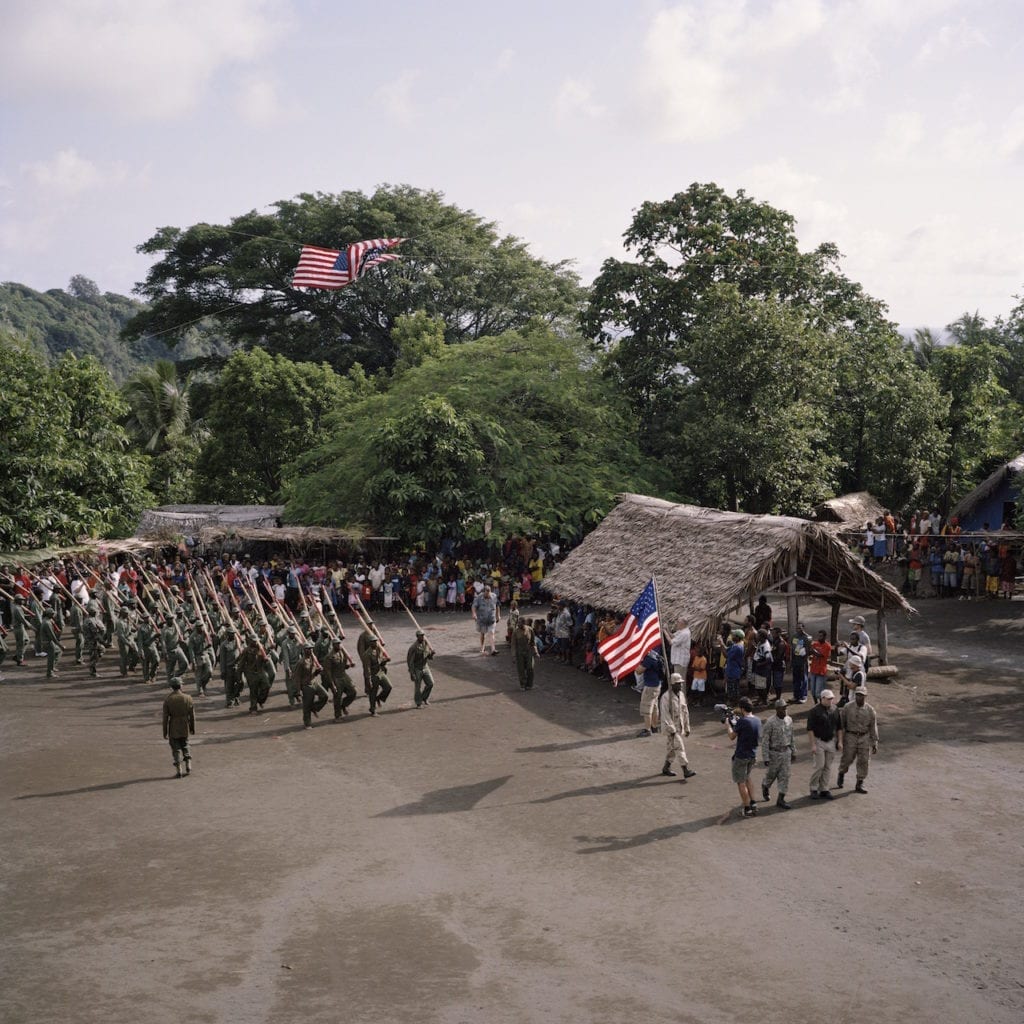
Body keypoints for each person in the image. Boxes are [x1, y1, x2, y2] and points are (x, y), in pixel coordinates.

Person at [837, 685, 879, 793]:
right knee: (847, 758)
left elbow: (873, 727)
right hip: (850, 736)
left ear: (866, 696)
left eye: (862, 695)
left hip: (864, 737)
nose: (859, 697)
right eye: (858, 695)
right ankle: (841, 773)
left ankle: (860, 783)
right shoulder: (847, 707)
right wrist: (839, 739)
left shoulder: (870, 710)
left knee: (864, 761)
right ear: (855, 695)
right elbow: (841, 724)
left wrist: (874, 742)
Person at [727, 697, 762, 817]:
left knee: (741, 782)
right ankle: (753, 803)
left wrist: (728, 725)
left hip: (741, 756)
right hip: (752, 754)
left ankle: (747, 808)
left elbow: (732, 736)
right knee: (748, 778)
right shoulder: (757, 720)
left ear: (742, 709)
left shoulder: (743, 721)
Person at [807, 688, 843, 799]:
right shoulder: (814, 711)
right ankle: (813, 788)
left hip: (831, 741)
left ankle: (824, 789)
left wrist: (840, 741)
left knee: (827, 767)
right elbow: (810, 729)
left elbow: (839, 727)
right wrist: (813, 744)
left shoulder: (835, 709)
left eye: (831, 699)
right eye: (828, 699)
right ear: (822, 699)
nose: (830, 701)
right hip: (819, 741)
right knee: (819, 766)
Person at [659, 673, 697, 779]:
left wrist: (687, 727)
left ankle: (666, 768)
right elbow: (665, 714)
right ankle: (685, 769)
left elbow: (685, 712)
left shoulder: (681, 695)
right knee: (679, 747)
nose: (680, 686)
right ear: (672, 684)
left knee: (671, 749)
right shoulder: (666, 697)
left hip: (679, 727)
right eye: (678, 684)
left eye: (680, 683)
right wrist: (672, 728)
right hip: (671, 728)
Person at [760, 699, 795, 809]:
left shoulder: (789, 720)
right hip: (774, 753)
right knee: (771, 775)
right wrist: (765, 757)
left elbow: (792, 736)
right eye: (783, 708)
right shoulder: (770, 722)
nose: (785, 710)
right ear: (777, 709)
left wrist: (793, 751)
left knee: (785, 776)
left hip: (786, 752)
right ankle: (765, 785)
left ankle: (781, 799)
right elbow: (765, 741)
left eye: (786, 708)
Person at [162, 677, 195, 779]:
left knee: (175, 748)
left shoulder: (168, 700)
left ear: (171, 687)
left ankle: (179, 769)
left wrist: (165, 732)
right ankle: (188, 765)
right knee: (185, 744)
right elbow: (192, 715)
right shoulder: (188, 698)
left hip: (173, 726)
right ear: (181, 686)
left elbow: (165, 718)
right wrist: (192, 727)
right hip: (184, 725)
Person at [295, 642, 329, 729]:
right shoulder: (301, 662)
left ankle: (314, 707)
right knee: (307, 705)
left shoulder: (313, 659)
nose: (310, 650)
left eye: (311, 649)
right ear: (304, 650)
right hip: (306, 686)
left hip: (314, 682)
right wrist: (298, 691)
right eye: (308, 649)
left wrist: (318, 671)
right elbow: (297, 678)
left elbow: (314, 672)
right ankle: (307, 723)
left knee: (325, 696)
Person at [325, 637, 358, 718]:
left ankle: (343, 705)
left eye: (340, 643)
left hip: (344, 675)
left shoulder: (342, 652)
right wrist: (332, 684)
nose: (339, 645)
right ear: (333, 645)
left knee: (353, 692)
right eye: (337, 644)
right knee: (337, 697)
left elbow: (343, 666)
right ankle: (337, 716)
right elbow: (328, 672)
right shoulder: (329, 657)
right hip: (336, 678)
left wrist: (349, 665)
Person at [637, 646, 664, 737]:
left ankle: (647, 729)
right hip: (657, 684)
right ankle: (654, 726)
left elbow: (638, 671)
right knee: (655, 706)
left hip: (650, 685)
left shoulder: (649, 658)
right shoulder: (657, 656)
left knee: (647, 707)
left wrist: (635, 663)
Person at [364, 635, 392, 715]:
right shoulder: (367, 654)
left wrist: (386, 660)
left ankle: (379, 698)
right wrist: (368, 680)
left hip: (380, 672)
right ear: (370, 643)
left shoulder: (378, 650)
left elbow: (381, 659)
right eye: (373, 642)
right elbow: (367, 668)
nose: (375, 643)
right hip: (373, 675)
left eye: (376, 641)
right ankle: (372, 709)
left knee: (388, 687)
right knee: (373, 692)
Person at [406, 629, 435, 707]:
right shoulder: (413, 647)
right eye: (421, 636)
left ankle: (424, 698)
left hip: (425, 667)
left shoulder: (426, 644)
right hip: (417, 668)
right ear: (417, 637)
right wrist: (412, 673)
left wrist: (432, 654)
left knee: (430, 683)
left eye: (423, 635)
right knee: (418, 687)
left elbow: (428, 656)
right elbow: (410, 662)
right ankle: (418, 703)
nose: (422, 637)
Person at [472, 585, 500, 655]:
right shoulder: (478, 598)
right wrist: (474, 614)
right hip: (482, 619)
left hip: (491, 618)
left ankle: (493, 649)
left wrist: (498, 615)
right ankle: (482, 648)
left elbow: (497, 605)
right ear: (483, 592)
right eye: (486, 594)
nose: (487, 595)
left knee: (491, 633)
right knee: (483, 634)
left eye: (489, 593)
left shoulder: (494, 596)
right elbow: (473, 606)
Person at [512, 617, 536, 690]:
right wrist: (513, 656)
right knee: (521, 669)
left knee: (530, 668)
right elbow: (513, 644)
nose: (518, 624)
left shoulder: (530, 629)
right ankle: (523, 684)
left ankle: (530, 684)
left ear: (524, 623)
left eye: (520, 623)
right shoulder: (515, 632)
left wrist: (535, 651)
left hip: (529, 651)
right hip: (519, 652)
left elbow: (533, 641)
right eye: (518, 623)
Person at [808, 629, 831, 703]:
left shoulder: (827, 646)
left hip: (821, 671)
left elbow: (821, 655)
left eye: (821, 636)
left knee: (818, 691)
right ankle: (816, 703)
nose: (819, 637)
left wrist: (813, 650)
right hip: (813, 670)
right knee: (812, 691)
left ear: (824, 637)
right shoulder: (815, 644)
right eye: (818, 636)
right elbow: (810, 652)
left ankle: (822, 703)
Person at [790, 623, 811, 703]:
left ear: (803, 628)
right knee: (795, 680)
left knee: (803, 679)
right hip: (795, 661)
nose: (799, 629)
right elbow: (793, 649)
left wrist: (804, 662)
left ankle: (803, 696)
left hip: (802, 662)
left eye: (800, 628)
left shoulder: (806, 638)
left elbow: (808, 651)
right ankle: (796, 696)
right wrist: (791, 661)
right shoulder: (794, 637)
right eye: (797, 628)